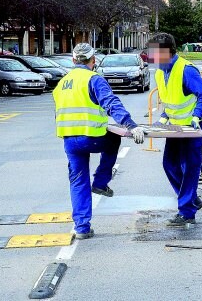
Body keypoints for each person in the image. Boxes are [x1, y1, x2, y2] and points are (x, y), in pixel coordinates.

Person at [53, 43, 145, 239]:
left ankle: (82, 228)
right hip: (91, 137)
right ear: (93, 61)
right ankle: (101, 183)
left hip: (69, 141)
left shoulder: (62, 83)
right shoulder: (94, 79)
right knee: (113, 140)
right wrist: (131, 125)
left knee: (78, 181)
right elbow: (111, 103)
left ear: (73, 60)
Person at [149, 33, 202, 226]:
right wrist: (163, 117)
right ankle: (190, 198)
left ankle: (187, 211)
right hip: (176, 127)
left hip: (192, 126)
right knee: (170, 164)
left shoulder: (186, 70)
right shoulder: (160, 73)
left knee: (190, 166)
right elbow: (171, 101)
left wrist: (196, 117)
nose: (153, 58)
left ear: (168, 53)